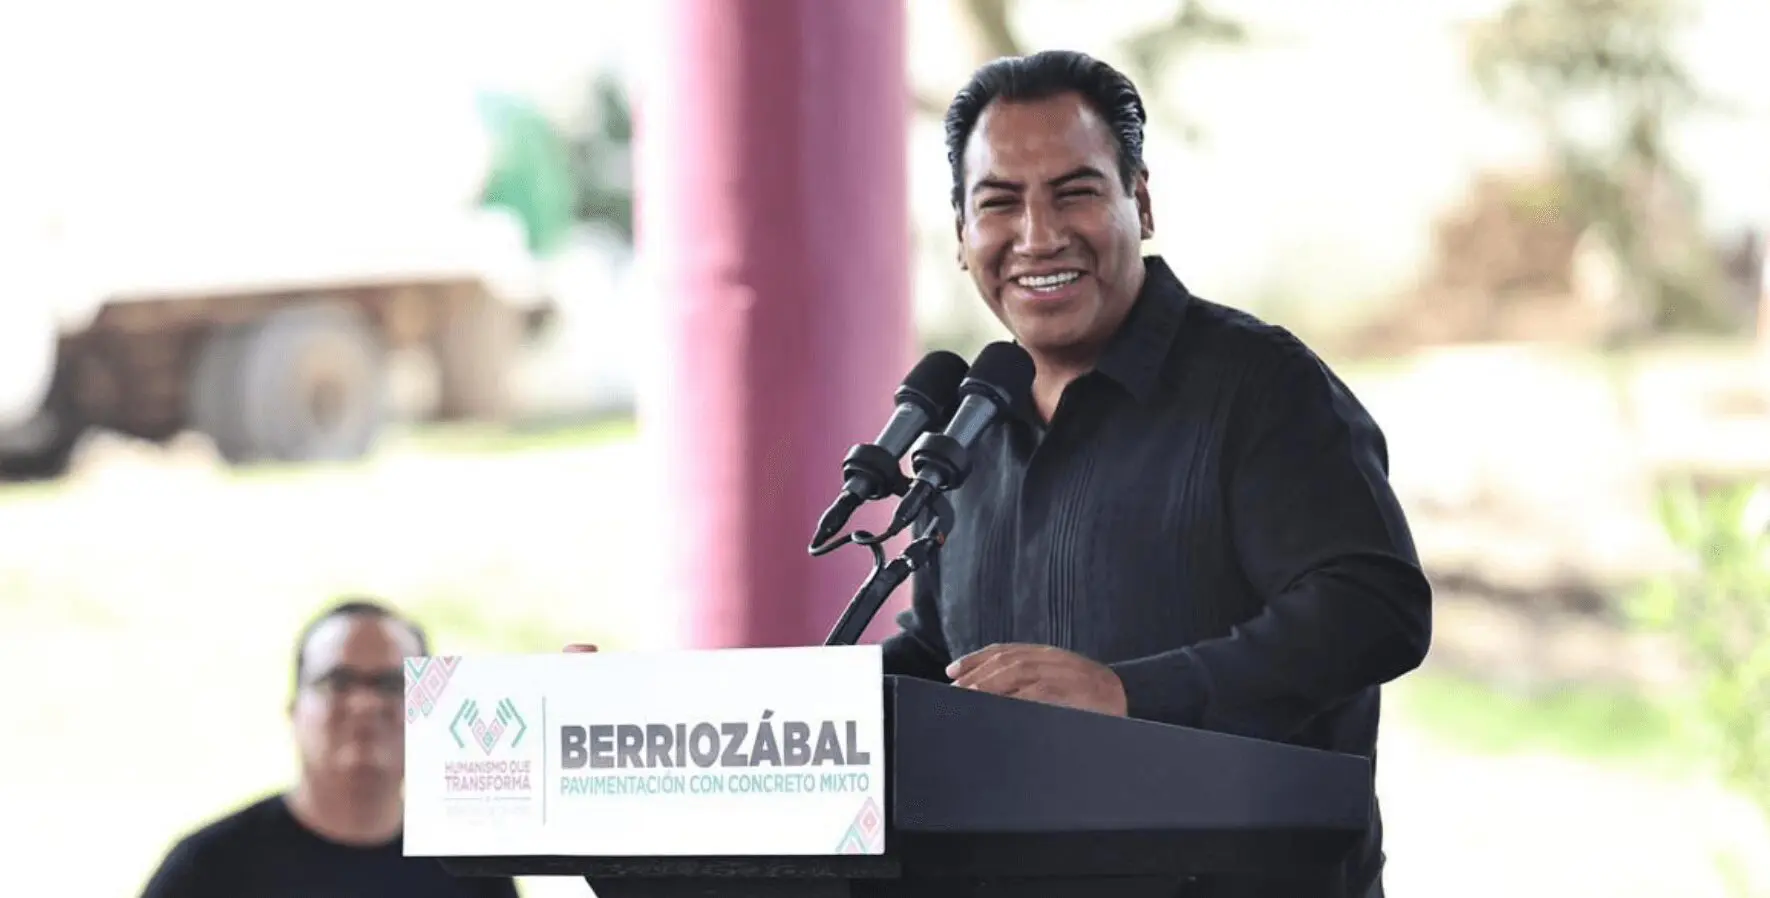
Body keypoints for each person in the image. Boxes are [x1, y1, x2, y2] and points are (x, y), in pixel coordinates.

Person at [877, 51, 1433, 898]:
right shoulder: (970, 426)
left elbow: (1373, 609)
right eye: (998, 203)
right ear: (960, 235)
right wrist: (772, 714)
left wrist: (1129, 694)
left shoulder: (1260, 385)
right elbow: (940, 656)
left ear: (1139, 200)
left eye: (1076, 192)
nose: (1037, 236)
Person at [141, 599, 520, 898]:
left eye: (393, 684)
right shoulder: (208, 869)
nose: (366, 705)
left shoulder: (473, 873)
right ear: (293, 712)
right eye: (338, 681)